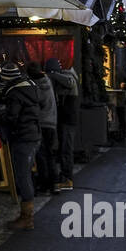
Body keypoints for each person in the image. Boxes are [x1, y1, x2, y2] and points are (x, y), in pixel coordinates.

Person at [0, 62, 46, 229]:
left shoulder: (14, 93)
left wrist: (0, 114)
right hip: (34, 134)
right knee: (26, 173)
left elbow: (12, 118)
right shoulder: (32, 86)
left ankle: (26, 218)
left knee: (22, 175)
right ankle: (27, 215)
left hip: (23, 137)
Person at [45, 58, 79, 191]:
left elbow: (70, 83)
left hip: (68, 120)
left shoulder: (68, 78)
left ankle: (67, 179)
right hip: (65, 120)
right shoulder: (64, 77)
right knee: (64, 149)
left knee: (66, 149)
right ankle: (66, 176)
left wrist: (52, 74)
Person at [26, 62, 60, 194]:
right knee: (50, 154)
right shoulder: (48, 82)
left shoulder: (35, 86)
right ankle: (55, 183)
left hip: (41, 123)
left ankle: (44, 184)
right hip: (51, 122)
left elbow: (35, 104)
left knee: (41, 155)